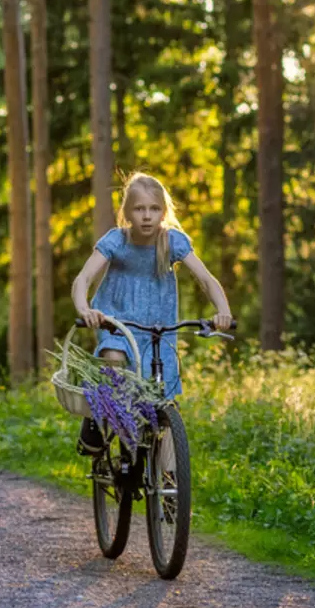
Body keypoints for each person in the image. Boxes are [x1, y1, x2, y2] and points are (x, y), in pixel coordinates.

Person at [71, 172, 234, 454]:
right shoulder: (116, 241)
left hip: (158, 330)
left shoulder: (172, 242)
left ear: (163, 212)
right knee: (113, 359)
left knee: (162, 397)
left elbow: (207, 279)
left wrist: (223, 311)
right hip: (117, 325)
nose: (147, 216)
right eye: (139, 208)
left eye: (154, 208)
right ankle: (99, 416)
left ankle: (169, 473)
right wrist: (85, 309)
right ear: (127, 212)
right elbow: (83, 279)